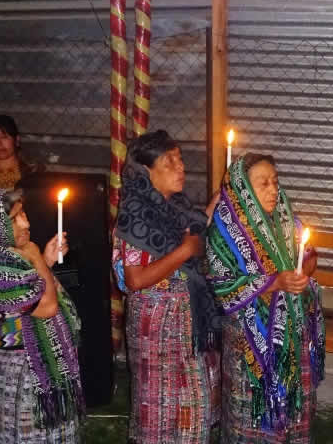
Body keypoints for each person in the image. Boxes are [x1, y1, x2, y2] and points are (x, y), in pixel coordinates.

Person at [206, 153, 325, 443]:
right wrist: (275, 282)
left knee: (293, 413)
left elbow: (309, 257)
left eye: (275, 181)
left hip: (292, 334)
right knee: (251, 417)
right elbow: (223, 286)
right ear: (244, 189)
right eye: (263, 183)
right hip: (249, 341)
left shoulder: (286, 221)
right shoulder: (224, 230)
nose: (274, 190)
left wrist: (302, 274)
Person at [111, 130, 221, 444]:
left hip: (187, 321)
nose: (181, 166)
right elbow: (135, 279)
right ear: (146, 171)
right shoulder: (135, 214)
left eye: (180, 159)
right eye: (169, 161)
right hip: (155, 325)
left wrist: (218, 201)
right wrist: (185, 252)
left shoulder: (176, 206)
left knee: (193, 404)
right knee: (159, 407)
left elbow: (196, 229)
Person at [0, 187, 83, 443]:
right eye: (14, 218)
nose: (26, 223)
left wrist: (43, 261)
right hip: (19, 376)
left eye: (23, 213)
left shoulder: (9, 258)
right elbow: (46, 306)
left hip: (36, 370)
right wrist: (36, 256)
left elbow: (25, 297)